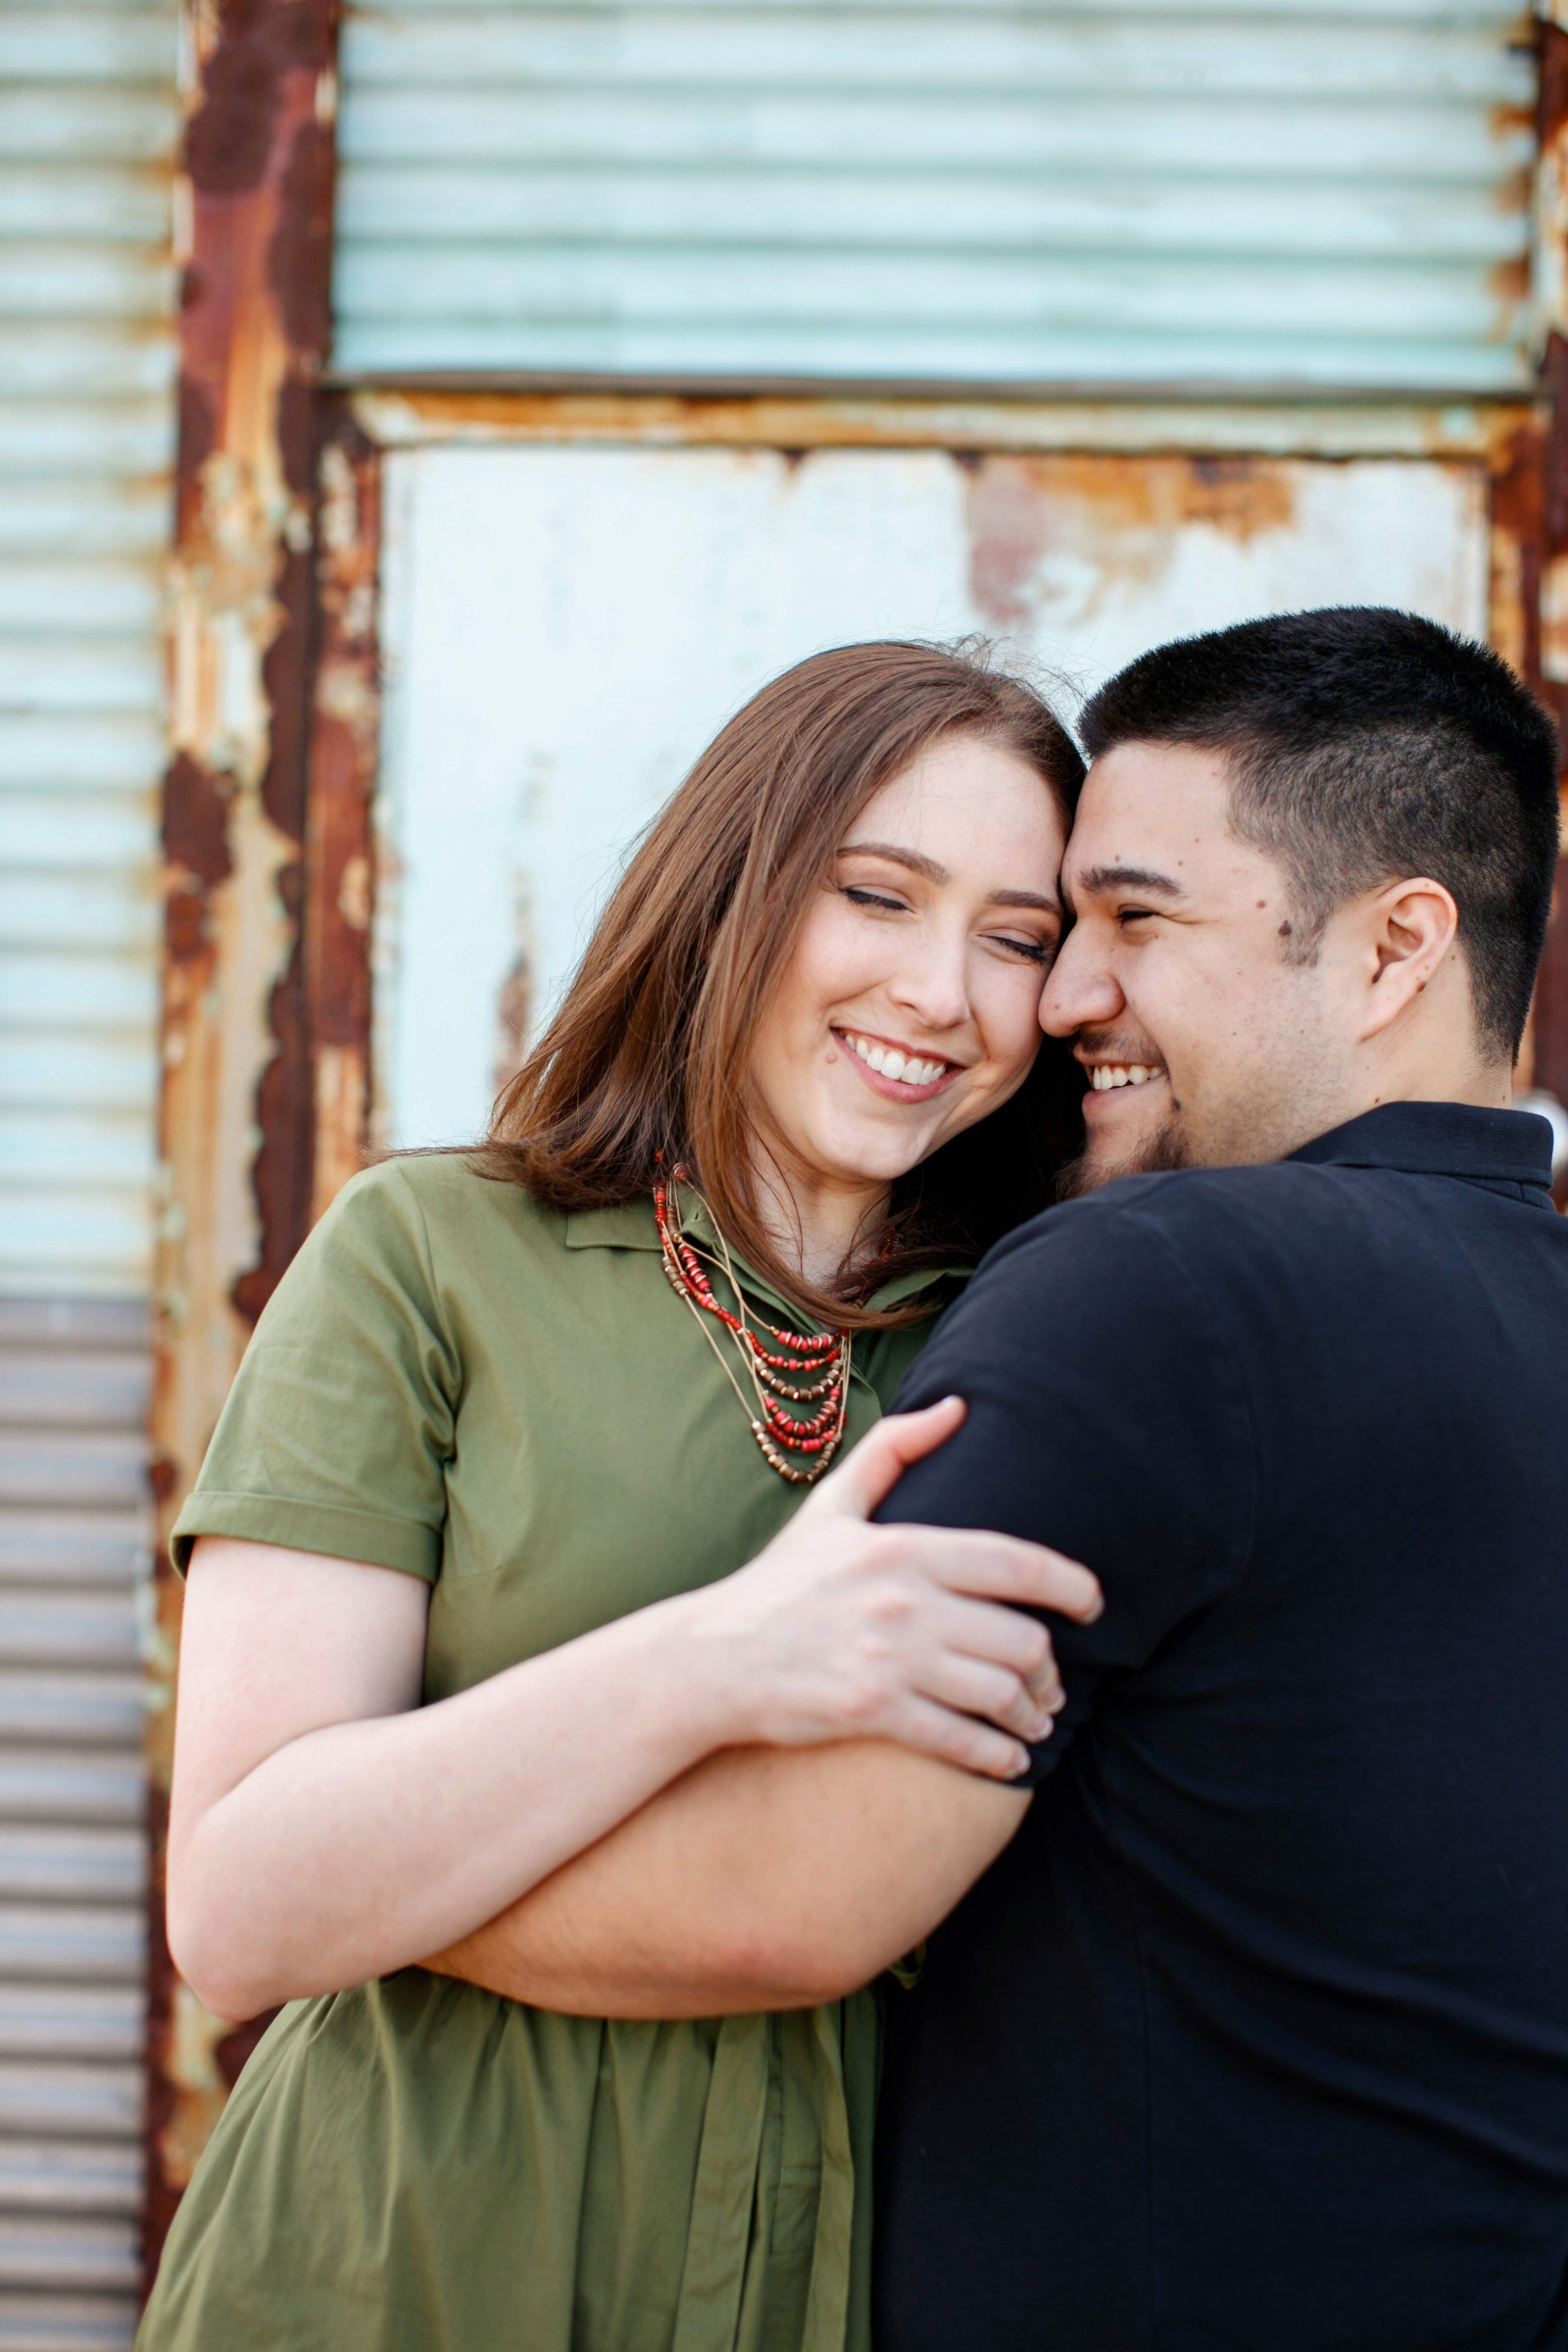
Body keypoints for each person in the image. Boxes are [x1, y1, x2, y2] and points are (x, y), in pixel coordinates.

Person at [446, 609, 1568, 2350]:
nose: (1060, 1000)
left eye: (1135, 920)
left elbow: (785, 1899)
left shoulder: (1159, 1282)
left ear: (1394, 949)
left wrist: (346, 1890)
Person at [137, 640, 1104, 2352]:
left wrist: (409, 1878)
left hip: (844, 2269)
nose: (941, 992)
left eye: (1017, 938)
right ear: (734, 890)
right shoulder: (427, 1258)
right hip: (396, 2255)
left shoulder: (1045, 1340)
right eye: (876, 896)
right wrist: (723, 1656)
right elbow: (242, 1910)